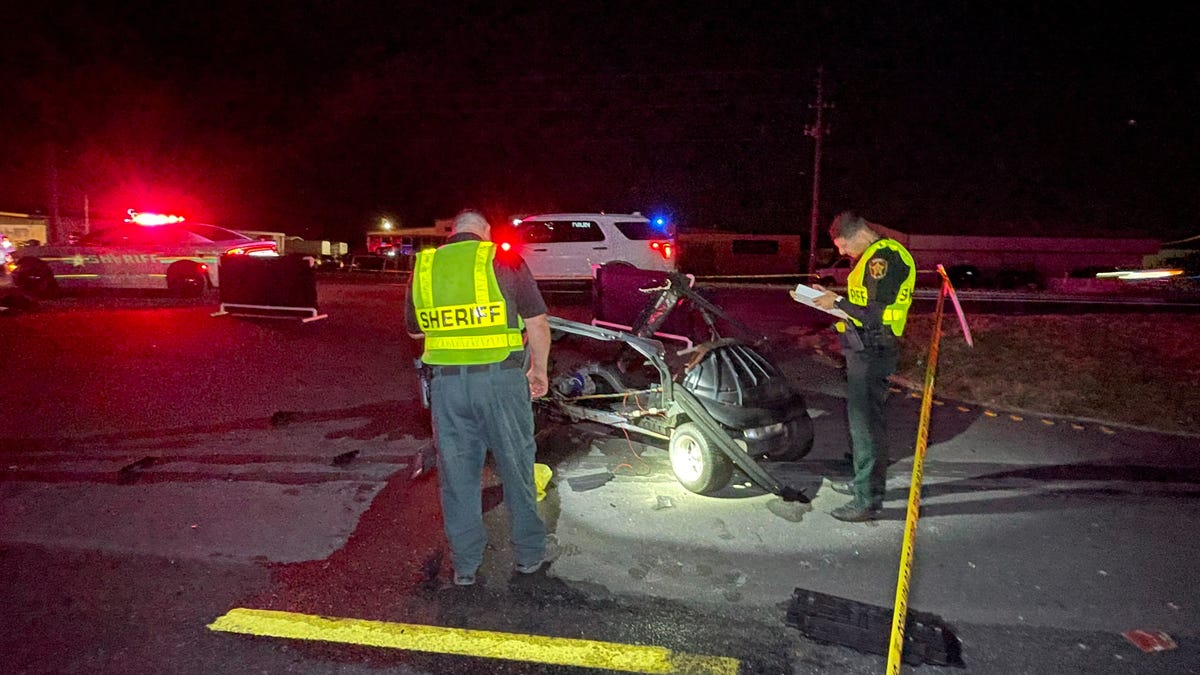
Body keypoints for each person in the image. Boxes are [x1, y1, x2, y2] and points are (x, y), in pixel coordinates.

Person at [405, 209, 552, 585]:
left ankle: (466, 567)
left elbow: (416, 334)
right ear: (485, 230)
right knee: (517, 469)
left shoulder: (425, 266)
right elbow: (536, 322)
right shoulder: (501, 259)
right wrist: (539, 371)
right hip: (501, 382)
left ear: (453, 231)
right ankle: (529, 558)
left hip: (447, 388)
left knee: (457, 478)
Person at [812, 211, 916, 522]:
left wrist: (837, 303)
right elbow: (864, 308)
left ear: (857, 234)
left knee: (866, 426)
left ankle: (866, 500)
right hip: (864, 349)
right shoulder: (872, 257)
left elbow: (873, 316)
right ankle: (863, 481)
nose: (841, 253)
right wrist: (834, 305)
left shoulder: (883, 259)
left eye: (842, 245)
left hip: (873, 350)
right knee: (862, 423)